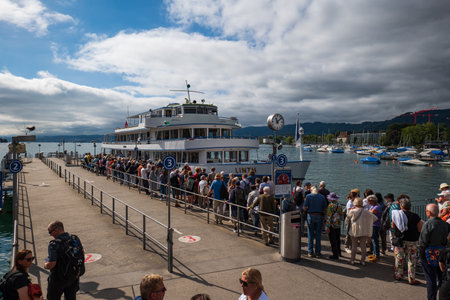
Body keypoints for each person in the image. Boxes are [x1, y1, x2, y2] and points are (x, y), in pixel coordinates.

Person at [45, 220, 84, 300]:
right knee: (71, 297)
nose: (50, 235)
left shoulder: (54, 244)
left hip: (58, 278)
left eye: (50, 232)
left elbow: (52, 263)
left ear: (56, 230)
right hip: (74, 276)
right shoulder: (75, 238)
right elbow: (82, 252)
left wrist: (46, 265)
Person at [419, 204, 450, 300]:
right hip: (442, 254)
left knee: (430, 279)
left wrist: (420, 254)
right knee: (441, 277)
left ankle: (431, 298)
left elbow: (423, 242)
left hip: (429, 254)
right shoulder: (446, 224)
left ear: (429, 212)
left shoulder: (427, 224)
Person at [393, 195, 423, 285]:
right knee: (411, 260)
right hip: (412, 240)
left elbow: (393, 226)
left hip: (400, 240)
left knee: (399, 258)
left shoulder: (397, 215)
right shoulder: (415, 216)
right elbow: (419, 228)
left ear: (401, 206)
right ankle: (411, 278)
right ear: (410, 207)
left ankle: (398, 275)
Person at [347, 198, 377, 265]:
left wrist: (351, 210)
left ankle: (352, 260)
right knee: (363, 246)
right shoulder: (366, 211)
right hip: (364, 231)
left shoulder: (353, 211)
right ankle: (362, 261)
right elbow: (375, 218)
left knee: (354, 246)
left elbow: (348, 217)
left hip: (354, 230)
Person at [303, 186, 327, 257]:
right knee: (318, 234)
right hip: (319, 216)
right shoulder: (322, 197)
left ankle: (310, 252)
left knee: (310, 234)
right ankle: (318, 252)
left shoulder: (308, 196)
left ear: (311, 190)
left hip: (310, 216)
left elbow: (304, 207)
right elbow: (325, 208)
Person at [325, 192, 344, 259]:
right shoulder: (339, 205)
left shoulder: (330, 206)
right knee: (337, 239)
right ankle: (339, 252)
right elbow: (341, 214)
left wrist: (327, 226)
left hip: (332, 225)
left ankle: (335, 254)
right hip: (338, 224)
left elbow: (329, 216)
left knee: (332, 240)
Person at [367, 195, 382, 262]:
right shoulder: (374, 206)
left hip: (375, 225)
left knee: (375, 240)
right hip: (373, 224)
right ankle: (375, 253)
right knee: (373, 239)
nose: (368, 202)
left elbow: (369, 214)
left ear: (372, 201)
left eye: (369, 201)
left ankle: (377, 256)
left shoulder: (376, 208)